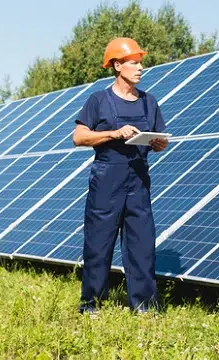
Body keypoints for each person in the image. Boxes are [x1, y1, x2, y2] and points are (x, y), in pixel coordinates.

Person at [72, 37, 169, 315]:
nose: (140, 68)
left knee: (142, 245)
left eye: (141, 63)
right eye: (133, 63)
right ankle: (92, 304)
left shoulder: (149, 102)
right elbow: (78, 137)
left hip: (138, 181)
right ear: (117, 65)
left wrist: (159, 144)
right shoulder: (99, 101)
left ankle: (144, 305)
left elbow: (161, 138)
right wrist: (113, 134)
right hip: (106, 182)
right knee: (98, 244)